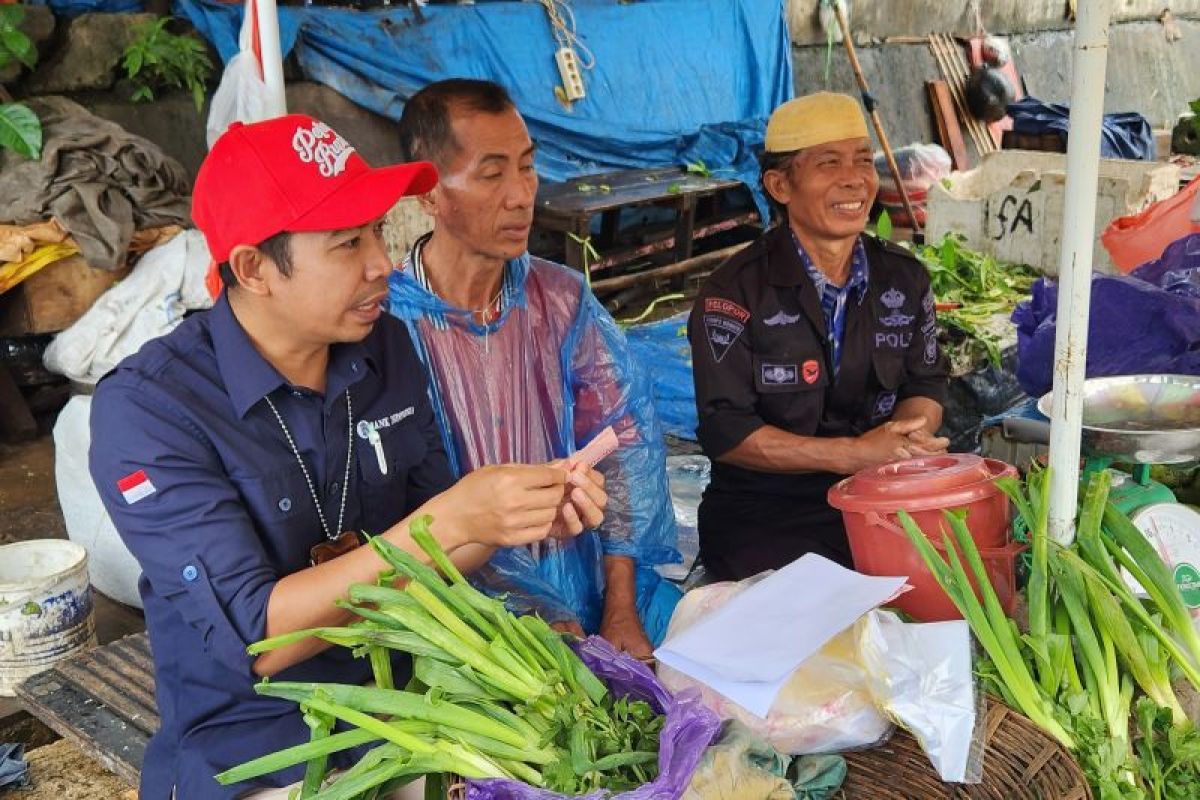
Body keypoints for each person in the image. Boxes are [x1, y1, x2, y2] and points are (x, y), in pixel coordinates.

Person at [87, 114, 607, 800]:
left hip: (421, 703)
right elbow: (261, 639)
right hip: (264, 744)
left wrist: (513, 516)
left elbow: (440, 552)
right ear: (253, 269)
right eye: (347, 243)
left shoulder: (382, 347)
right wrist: (456, 520)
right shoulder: (151, 409)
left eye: (377, 233)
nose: (382, 263)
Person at [387, 79, 680, 657]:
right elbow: (396, 520)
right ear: (427, 193)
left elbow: (626, 450)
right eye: (492, 173)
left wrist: (620, 610)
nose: (522, 194)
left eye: (527, 167)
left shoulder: (562, 300)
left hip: (590, 585)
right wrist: (509, 611)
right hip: (450, 614)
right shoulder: (387, 324)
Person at [688, 91, 951, 582]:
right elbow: (727, 431)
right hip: (767, 511)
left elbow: (927, 382)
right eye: (828, 164)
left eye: (860, 160)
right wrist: (852, 454)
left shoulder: (904, 279)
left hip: (881, 494)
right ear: (780, 185)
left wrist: (909, 434)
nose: (854, 179)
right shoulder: (734, 293)